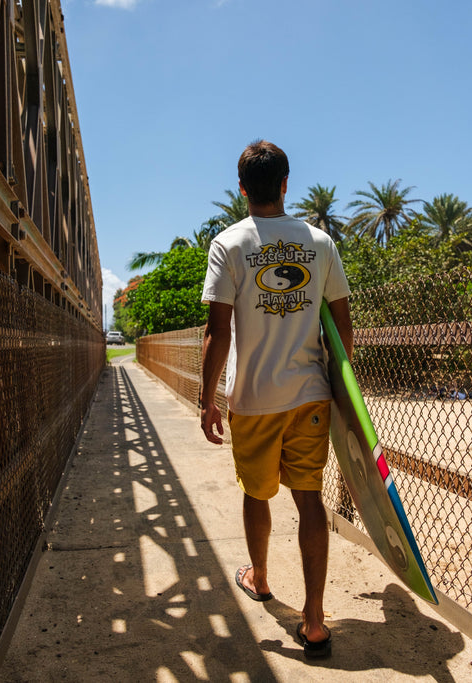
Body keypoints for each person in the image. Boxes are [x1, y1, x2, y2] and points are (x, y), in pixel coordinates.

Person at [199, 140, 352, 659]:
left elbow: (218, 332)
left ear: (242, 189)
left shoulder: (228, 244)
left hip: (253, 398)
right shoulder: (320, 243)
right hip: (310, 394)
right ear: (286, 184)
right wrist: (339, 390)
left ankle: (261, 577)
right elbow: (342, 325)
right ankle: (314, 620)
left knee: (257, 492)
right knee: (309, 498)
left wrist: (207, 399)